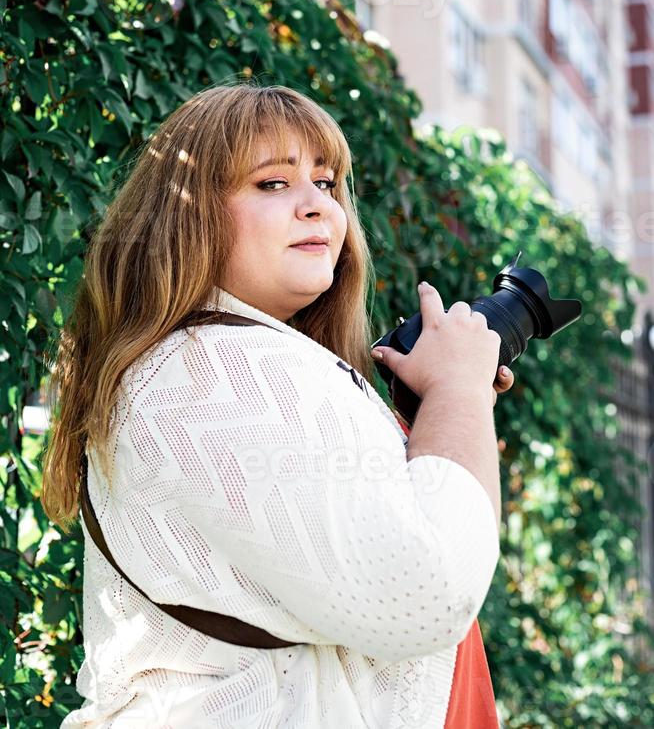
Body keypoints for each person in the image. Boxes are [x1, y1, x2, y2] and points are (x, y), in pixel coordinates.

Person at [40, 83, 514, 728]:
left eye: (326, 182)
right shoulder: (205, 370)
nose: (317, 205)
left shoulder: (215, 362)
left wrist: (440, 413)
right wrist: (459, 391)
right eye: (272, 184)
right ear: (188, 215)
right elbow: (422, 596)